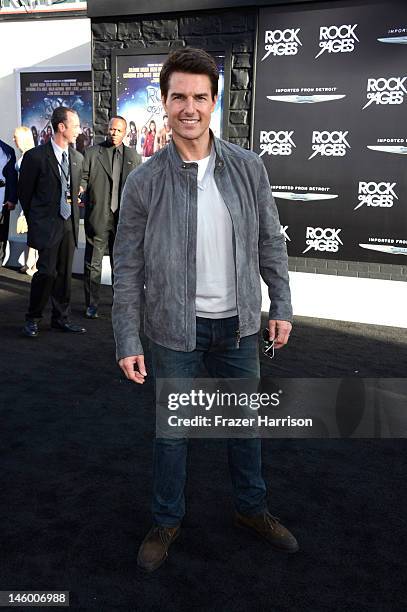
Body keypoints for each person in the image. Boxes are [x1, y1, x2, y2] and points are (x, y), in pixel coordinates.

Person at [112, 47, 298, 573]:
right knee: (172, 437)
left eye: (199, 97)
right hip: (175, 332)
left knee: (245, 428)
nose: (188, 107)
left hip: (240, 328)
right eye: (178, 97)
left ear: (214, 102)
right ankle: (166, 521)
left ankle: (251, 510)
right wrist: (127, 338)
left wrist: (280, 303)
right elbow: (126, 268)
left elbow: (270, 241)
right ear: (164, 103)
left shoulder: (247, 167)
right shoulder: (144, 180)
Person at [19, 106, 85, 338]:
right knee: (46, 273)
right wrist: (35, 221)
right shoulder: (35, 157)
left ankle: (60, 318)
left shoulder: (77, 158)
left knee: (65, 275)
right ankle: (33, 317)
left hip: (69, 223)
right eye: (75, 126)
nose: (79, 130)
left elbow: (75, 190)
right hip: (47, 225)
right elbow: (25, 194)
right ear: (61, 127)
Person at [80, 116, 141, 319]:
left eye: (119, 131)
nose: (114, 133)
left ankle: (120, 304)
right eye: (112, 129)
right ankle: (92, 305)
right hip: (98, 216)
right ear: (108, 129)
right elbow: (84, 179)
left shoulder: (134, 156)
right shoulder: (91, 153)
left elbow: (138, 189)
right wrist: (80, 189)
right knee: (93, 263)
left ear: (125, 133)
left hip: (123, 220)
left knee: (121, 264)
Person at [13, 126, 38, 276]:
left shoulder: (30, 156)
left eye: (15, 137)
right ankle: (30, 262)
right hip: (26, 200)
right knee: (31, 232)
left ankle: (33, 264)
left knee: (33, 232)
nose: (13, 140)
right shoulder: (26, 155)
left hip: (31, 201)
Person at [0, 138, 18, 266]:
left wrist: (12, 199)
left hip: (2, 199)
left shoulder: (7, 150)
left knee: (1, 234)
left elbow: (12, 176)